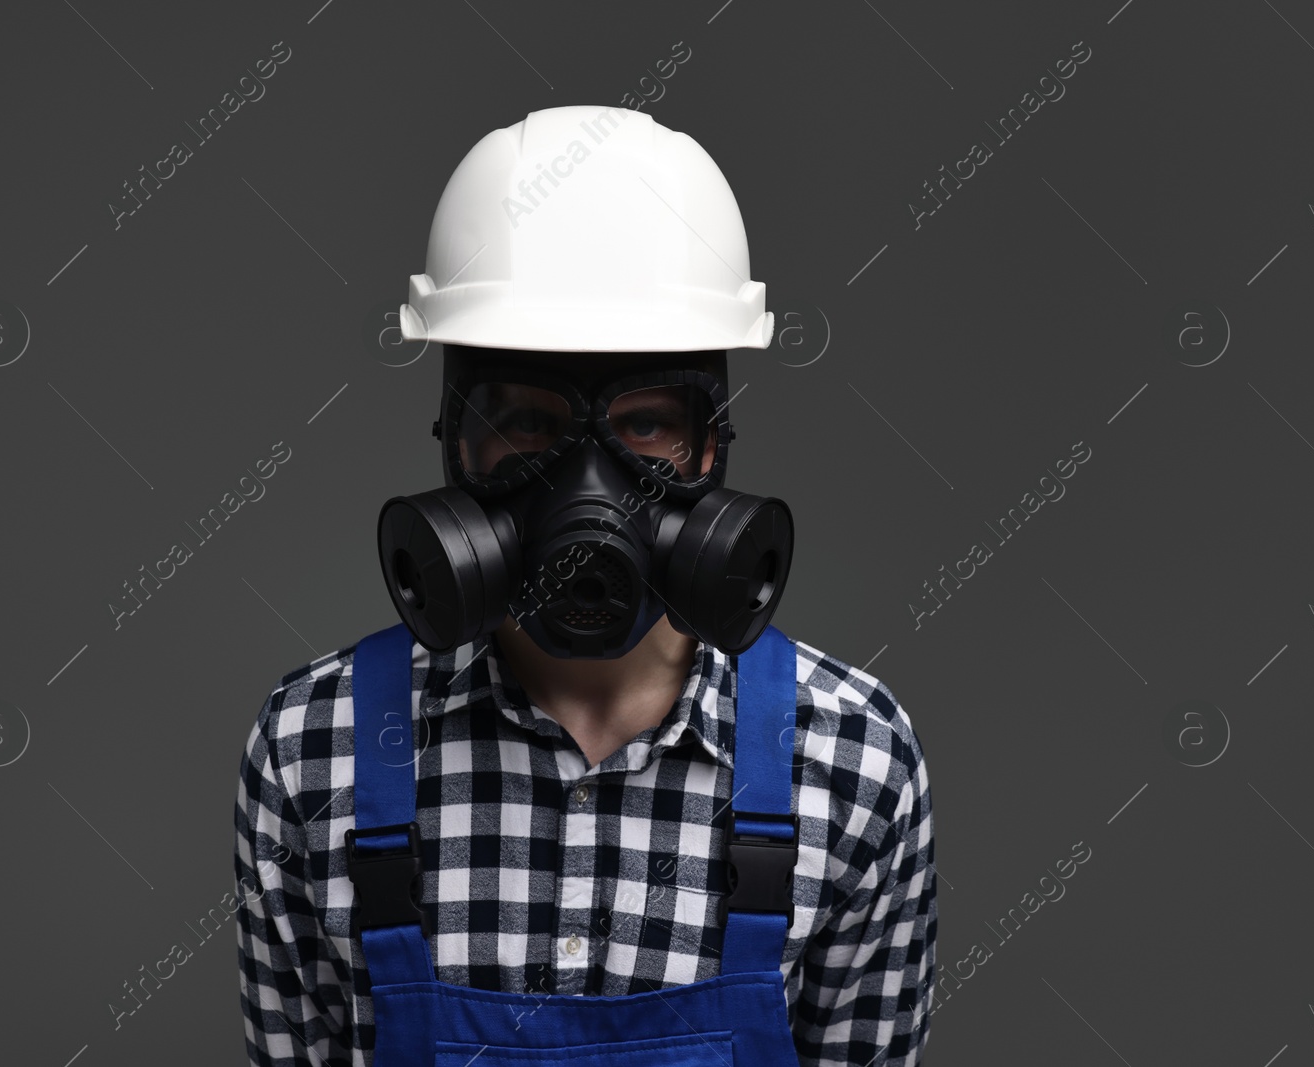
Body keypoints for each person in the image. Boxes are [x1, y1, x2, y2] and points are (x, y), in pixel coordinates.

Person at [235, 105, 936, 1066]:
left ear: (714, 445)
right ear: (452, 442)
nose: (587, 490)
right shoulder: (318, 753)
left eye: (647, 425)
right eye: (526, 423)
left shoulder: (851, 761)